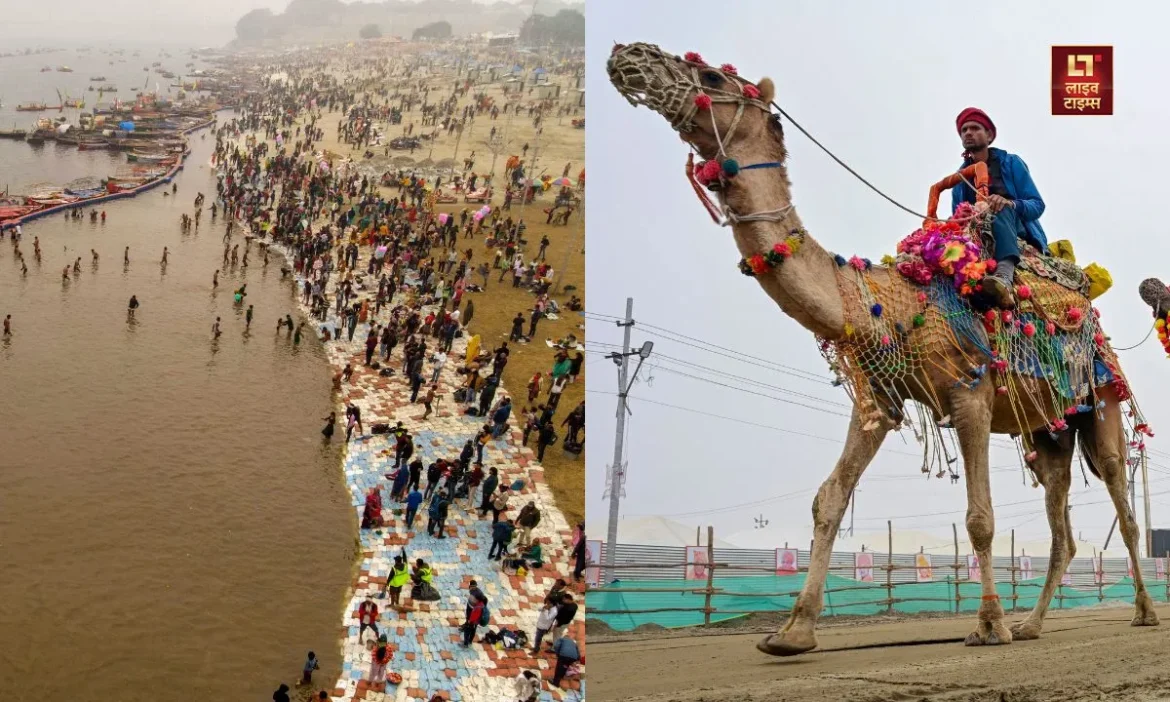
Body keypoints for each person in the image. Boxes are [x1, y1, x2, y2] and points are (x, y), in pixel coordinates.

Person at [952, 107, 1047, 309]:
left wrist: (1009, 203)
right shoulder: (959, 179)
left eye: (975, 128)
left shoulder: (1011, 163)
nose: (968, 133)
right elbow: (956, 218)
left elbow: (1037, 205)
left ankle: (1004, 274)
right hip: (977, 232)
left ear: (989, 135)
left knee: (999, 207)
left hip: (1014, 226)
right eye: (964, 130)